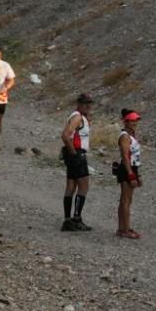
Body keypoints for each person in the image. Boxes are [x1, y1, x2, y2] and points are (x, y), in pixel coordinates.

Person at [60, 93, 93, 232]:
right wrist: (74, 154)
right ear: (79, 104)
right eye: (85, 103)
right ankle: (76, 218)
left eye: (89, 104)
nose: (88, 106)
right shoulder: (77, 117)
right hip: (77, 153)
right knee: (83, 186)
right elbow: (65, 135)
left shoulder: (78, 116)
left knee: (71, 185)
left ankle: (68, 220)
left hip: (72, 153)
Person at [115, 109, 143, 238]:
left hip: (132, 168)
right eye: (132, 120)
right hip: (127, 168)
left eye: (136, 120)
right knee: (126, 200)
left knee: (125, 200)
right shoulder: (125, 136)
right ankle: (126, 229)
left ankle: (122, 228)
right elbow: (125, 156)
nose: (135, 122)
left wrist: (137, 174)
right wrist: (131, 175)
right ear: (126, 121)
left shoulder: (131, 134)